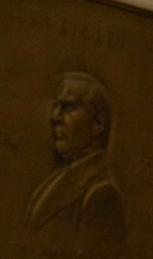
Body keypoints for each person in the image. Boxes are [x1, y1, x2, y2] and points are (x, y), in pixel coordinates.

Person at [25, 71, 126, 244]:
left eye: (68, 107)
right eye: (56, 106)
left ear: (98, 124)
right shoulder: (51, 183)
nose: (55, 117)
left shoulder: (102, 195)